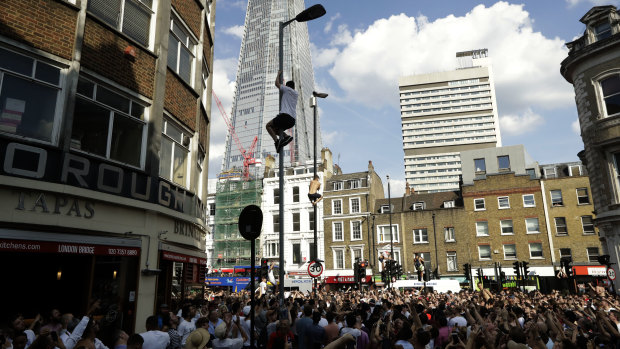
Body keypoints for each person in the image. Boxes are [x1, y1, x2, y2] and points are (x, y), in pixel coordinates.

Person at [265, 70, 298, 153]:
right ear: (294, 87)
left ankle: (277, 142)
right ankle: (286, 137)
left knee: (268, 126)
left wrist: (278, 74)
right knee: (275, 129)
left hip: (285, 117)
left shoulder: (286, 89)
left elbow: (276, 84)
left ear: (287, 86)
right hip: (292, 121)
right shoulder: (296, 94)